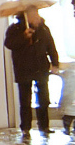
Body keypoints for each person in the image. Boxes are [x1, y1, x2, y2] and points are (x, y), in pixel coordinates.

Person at [4, 7, 60, 138]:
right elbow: (9, 44)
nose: (36, 17)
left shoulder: (43, 29)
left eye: (37, 14)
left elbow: (51, 46)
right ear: (26, 16)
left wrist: (55, 63)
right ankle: (25, 128)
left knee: (44, 99)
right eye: (33, 15)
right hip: (23, 68)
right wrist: (24, 36)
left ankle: (44, 126)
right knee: (25, 100)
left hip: (41, 67)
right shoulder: (15, 29)